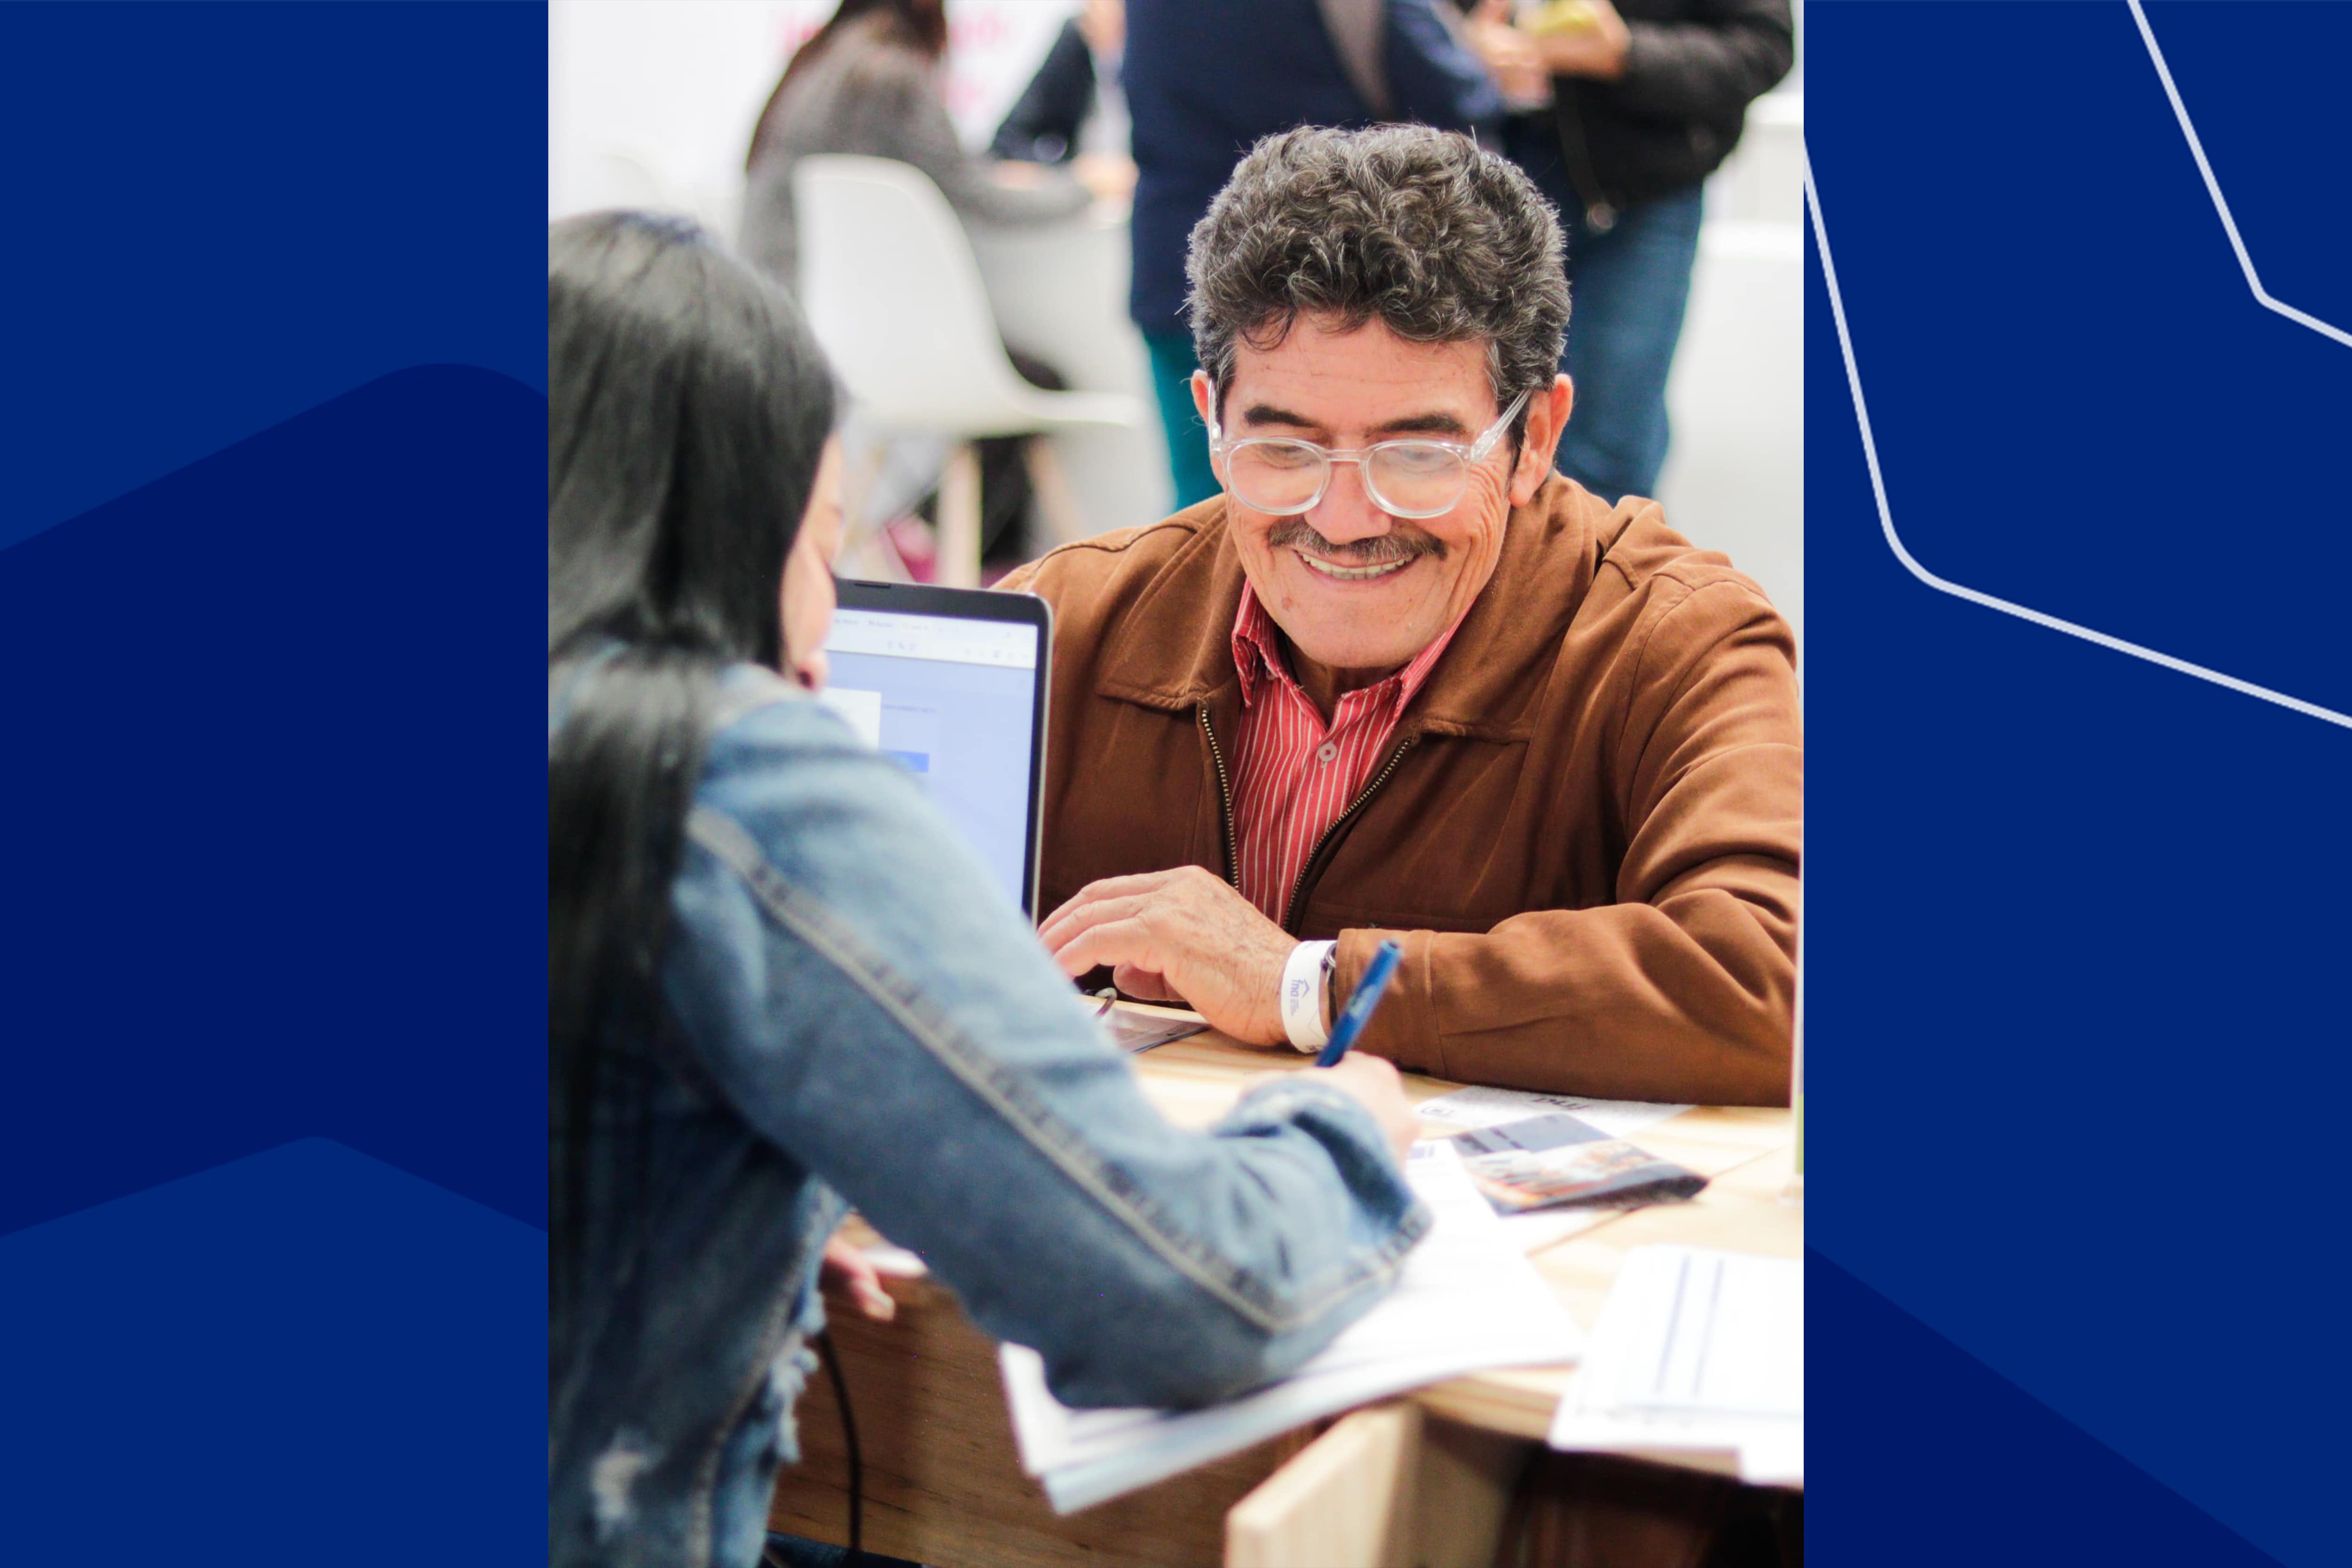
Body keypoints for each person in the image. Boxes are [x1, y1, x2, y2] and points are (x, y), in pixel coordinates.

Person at [547, 211, 1426, 1568]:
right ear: (739, 528)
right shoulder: (728, 773)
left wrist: (721, 1217)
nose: (825, 644)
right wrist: (1344, 1124)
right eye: (824, 546)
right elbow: (1182, 1290)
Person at [1002, 126, 1802, 1108]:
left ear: (1534, 436)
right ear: (1210, 419)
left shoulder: (1671, 641)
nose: (1344, 520)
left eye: (1417, 455)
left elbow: (1775, 981)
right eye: (1285, 451)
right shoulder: (1061, 622)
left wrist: (1312, 985)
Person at [1122, 0, 1504, 511]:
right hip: (1332, 283)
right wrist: (1484, 61)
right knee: (1369, 501)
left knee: (1208, 506)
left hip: (1176, 263)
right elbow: (1454, 103)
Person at [1464, 0, 1794, 504]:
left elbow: (1761, 47)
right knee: (1474, 425)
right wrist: (1460, 49)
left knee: (1609, 437)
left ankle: (1597, 574)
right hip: (1482, 184)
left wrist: (1625, 55)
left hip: (1641, 189)